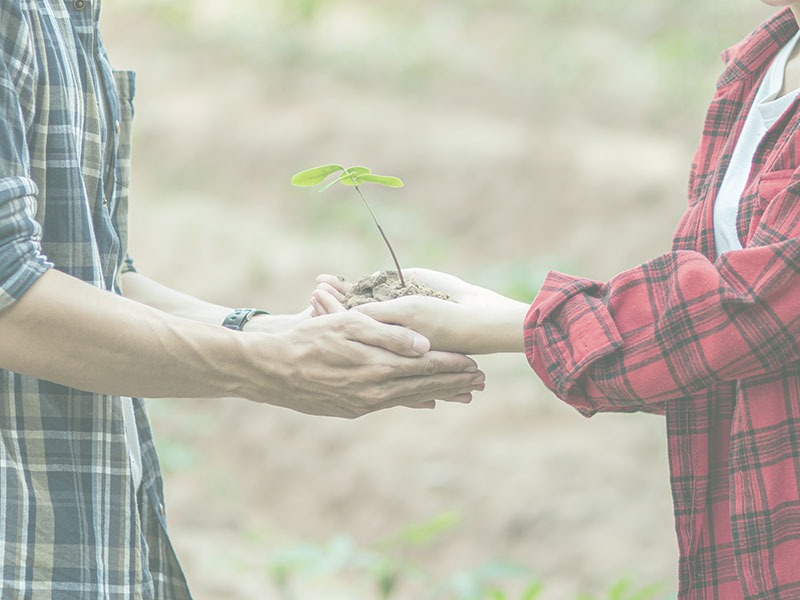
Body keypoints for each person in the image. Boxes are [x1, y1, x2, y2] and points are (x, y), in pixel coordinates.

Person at [313, 2, 800, 598]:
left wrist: (517, 325)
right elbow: (720, 343)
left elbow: (759, 305)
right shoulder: (762, 64)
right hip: (752, 534)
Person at [0, 2, 486, 598]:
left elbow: (95, 275)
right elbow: (11, 301)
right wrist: (271, 367)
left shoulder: (66, 14)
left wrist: (268, 330)